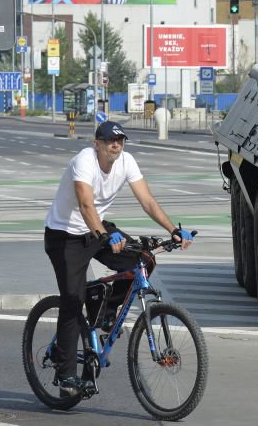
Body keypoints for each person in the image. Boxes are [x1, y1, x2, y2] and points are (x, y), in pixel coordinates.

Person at [44, 121, 194, 396]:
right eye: (110, 141)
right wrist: (103, 235)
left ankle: (106, 312)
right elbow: (86, 205)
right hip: (65, 235)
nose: (116, 145)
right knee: (73, 301)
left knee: (144, 260)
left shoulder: (126, 161)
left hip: (97, 231)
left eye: (120, 140)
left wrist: (172, 230)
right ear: (97, 144)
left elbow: (147, 201)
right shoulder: (84, 161)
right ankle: (66, 377)